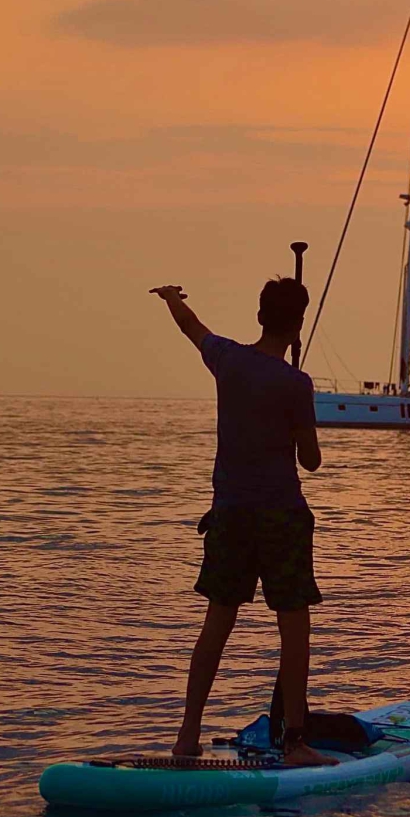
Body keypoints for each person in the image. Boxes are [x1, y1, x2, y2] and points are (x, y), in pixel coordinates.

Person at [150, 279, 336, 768]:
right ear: (296, 327)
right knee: (293, 628)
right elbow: (311, 461)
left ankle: (187, 736)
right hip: (281, 517)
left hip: (230, 515)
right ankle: (295, 742)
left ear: (258, 317)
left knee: (217, 621)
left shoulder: (228, 360)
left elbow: (191, 327)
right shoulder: (297, 384)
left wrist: (172, 297)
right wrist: (298, 425)